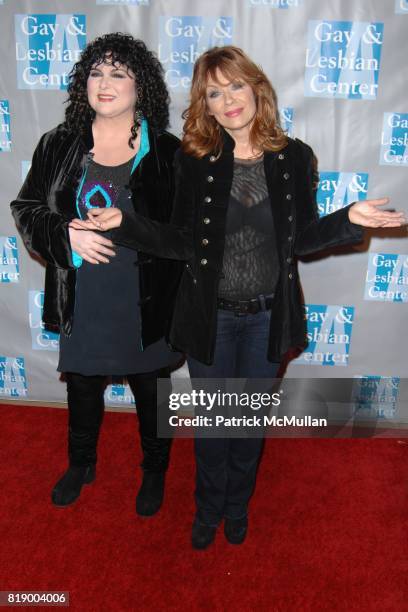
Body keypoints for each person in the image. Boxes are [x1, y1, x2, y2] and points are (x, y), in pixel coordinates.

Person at [71, 46, 406, 548]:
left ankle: (236, 504)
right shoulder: (195, 161)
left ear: (256, 88)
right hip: (212, 317)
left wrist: (348, 220)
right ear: (204, 105)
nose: (227, 100)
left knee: (247, 426)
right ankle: (208, 508)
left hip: (268, 319)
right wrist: (128, 224)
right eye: (213, 92)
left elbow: (302, 241)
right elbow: (181, 240)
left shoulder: (294, 157)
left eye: (235, 86)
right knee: (213, 428)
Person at [10, 33, 183, 516]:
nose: (104, 83)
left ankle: (154, 470)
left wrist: (131, 228)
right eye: (96, 72)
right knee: (82, 387)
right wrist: (67, 234)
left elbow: (181, 235)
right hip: (83, 296)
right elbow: (25, 208)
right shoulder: (58, 144)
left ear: (141, 87)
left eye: (119, 73)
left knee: (152, 392)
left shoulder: (167, 151)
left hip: (147, 299)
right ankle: (81, 463)